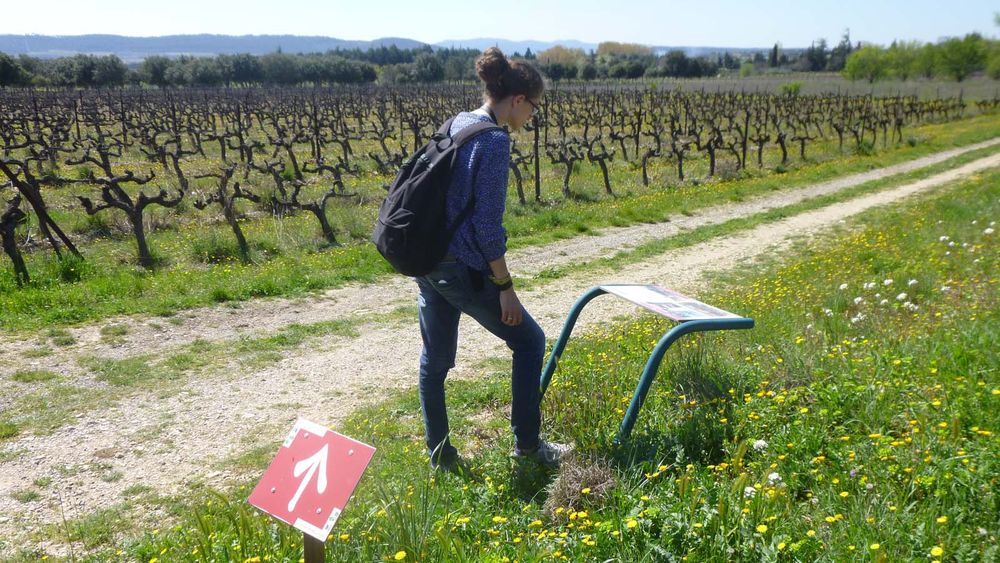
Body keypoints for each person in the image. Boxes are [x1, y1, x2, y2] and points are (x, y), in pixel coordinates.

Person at [415, 47, 570, 472]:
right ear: (517, 99)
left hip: (427, 259)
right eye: (533, 107)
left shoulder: (459, 122)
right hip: (461, 266)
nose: (532, 116)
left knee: (435, 361)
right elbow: (486, 228)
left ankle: (440, 458)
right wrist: (505, 287)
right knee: (530, 341)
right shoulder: (495, 141)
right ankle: (528, 448)